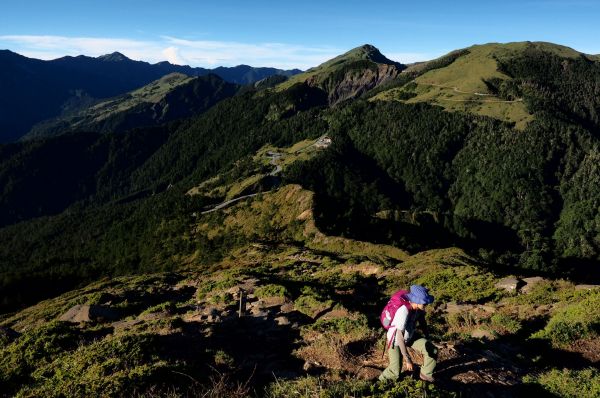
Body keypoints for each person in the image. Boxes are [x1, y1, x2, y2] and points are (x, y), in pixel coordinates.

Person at [379, 285, 437, 383]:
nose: (426, 304)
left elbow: (423, 323)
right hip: (396, 341)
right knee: (395, 370)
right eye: (424, 302)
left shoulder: (418, 310)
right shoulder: (403, 311)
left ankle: (425, 375)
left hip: (409, 335)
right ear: (417, 301)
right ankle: (379, 383)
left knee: (432, 350)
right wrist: (408, 359)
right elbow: (399, 337)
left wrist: (428, 337)